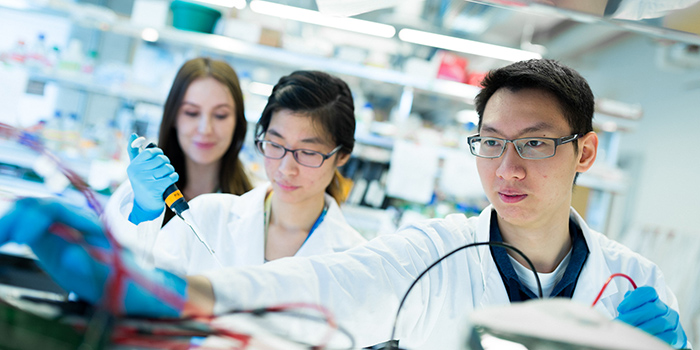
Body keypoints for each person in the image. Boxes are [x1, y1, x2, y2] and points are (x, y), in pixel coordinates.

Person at [0, 60, 689, 349]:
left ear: (586, 153)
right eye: (490, 142)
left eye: (535, 144)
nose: (506, 167)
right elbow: (320, 286)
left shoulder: (637, 288)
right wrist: (178, 292)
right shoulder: (432, 252)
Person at [107, 70, 366, 275]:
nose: (286, 169)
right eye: (275, 145)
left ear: (342, 156)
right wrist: (144, 212)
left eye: (308, 153)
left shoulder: (354, 258)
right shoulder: (208, 216)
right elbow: (141, 286)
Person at [103, 57, 253, 245]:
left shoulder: (252, 204)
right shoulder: (136, 196)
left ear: (238, 122)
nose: (205, 129)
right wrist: (143, 211)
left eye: (220, 115)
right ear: (174, 116)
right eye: (191, 113)